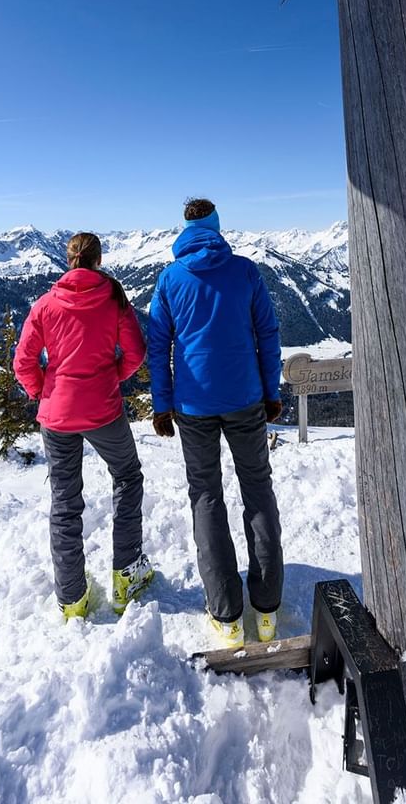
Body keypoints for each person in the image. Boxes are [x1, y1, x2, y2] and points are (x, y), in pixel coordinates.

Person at [146, 198, 284, 649]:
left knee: (206, 496)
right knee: (257, 490)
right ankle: (266, 611)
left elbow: (158, 346)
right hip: (245, 397)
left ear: (184, 229)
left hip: (192, 405)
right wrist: (271, 392)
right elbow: (268, 333)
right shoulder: (245, 271)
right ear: (218, 227)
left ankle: (226, 615)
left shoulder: (170, 278)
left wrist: (162, 405)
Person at [14, 231, 153, 621]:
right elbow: (136, 353)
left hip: (57, 416)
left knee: (65, 501)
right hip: (103, 409)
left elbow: (23, 362)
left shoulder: (44, 304)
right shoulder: (113, 300)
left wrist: (46, 391)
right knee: (127, 476)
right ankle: (126, 579)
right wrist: (112, 376)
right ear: (99, 260)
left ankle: (72, 599)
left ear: (69, 259)